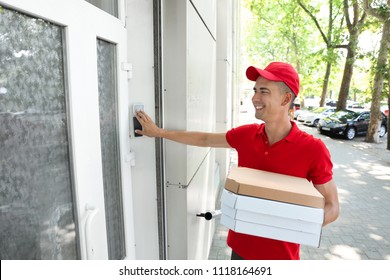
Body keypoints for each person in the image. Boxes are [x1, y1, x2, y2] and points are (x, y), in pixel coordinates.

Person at [135, 61, 339, 260]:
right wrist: (160, 133)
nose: (254, 98)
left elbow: (332, 207)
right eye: (255, 90)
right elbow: (204, 139)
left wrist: (290, 224)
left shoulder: (313, 149)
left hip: (280, 257)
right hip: (240, 249)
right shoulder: (247, 135)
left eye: (263, 92)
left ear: (286, 99)